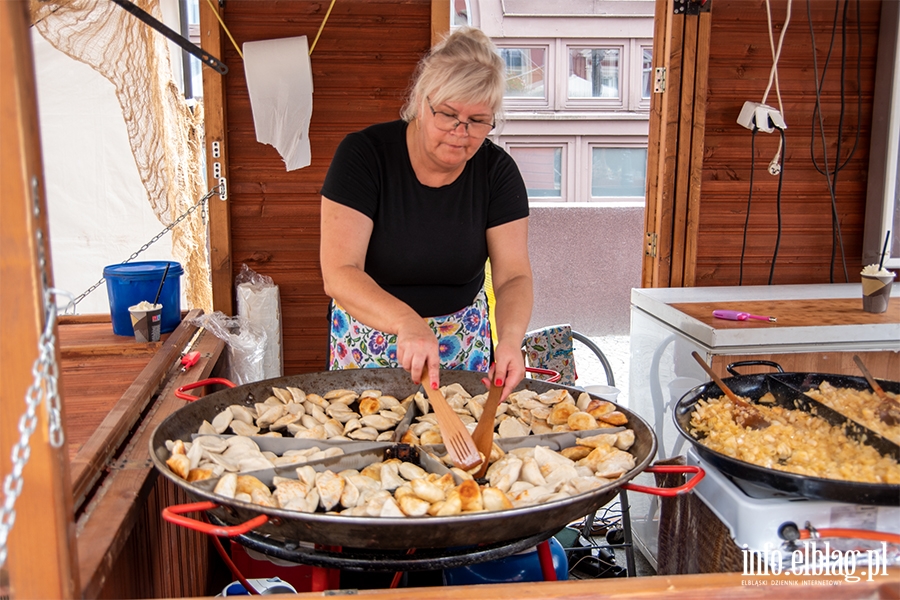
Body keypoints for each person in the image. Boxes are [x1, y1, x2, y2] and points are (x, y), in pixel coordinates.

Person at [319, 26, 533, 399]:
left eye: (478, 121)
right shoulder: (364, 156)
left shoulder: (497, 172)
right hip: (369, 341)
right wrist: (407, 323)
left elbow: (513, 276)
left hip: (462, 345)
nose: (460, 132)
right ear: (421, 102)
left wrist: (511, 341)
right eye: (448, 114)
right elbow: (339, 273)